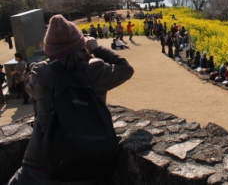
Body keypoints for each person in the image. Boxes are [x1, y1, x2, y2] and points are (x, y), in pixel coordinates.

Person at [7, 14, 134, 184]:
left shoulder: (42, 74)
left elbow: (28, 86)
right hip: (91, 150)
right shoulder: (95, 70)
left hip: (44, 156)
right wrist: (96, 48)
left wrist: (49, 59)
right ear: (81, 45)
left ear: (49, 50)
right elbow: (125, 69)